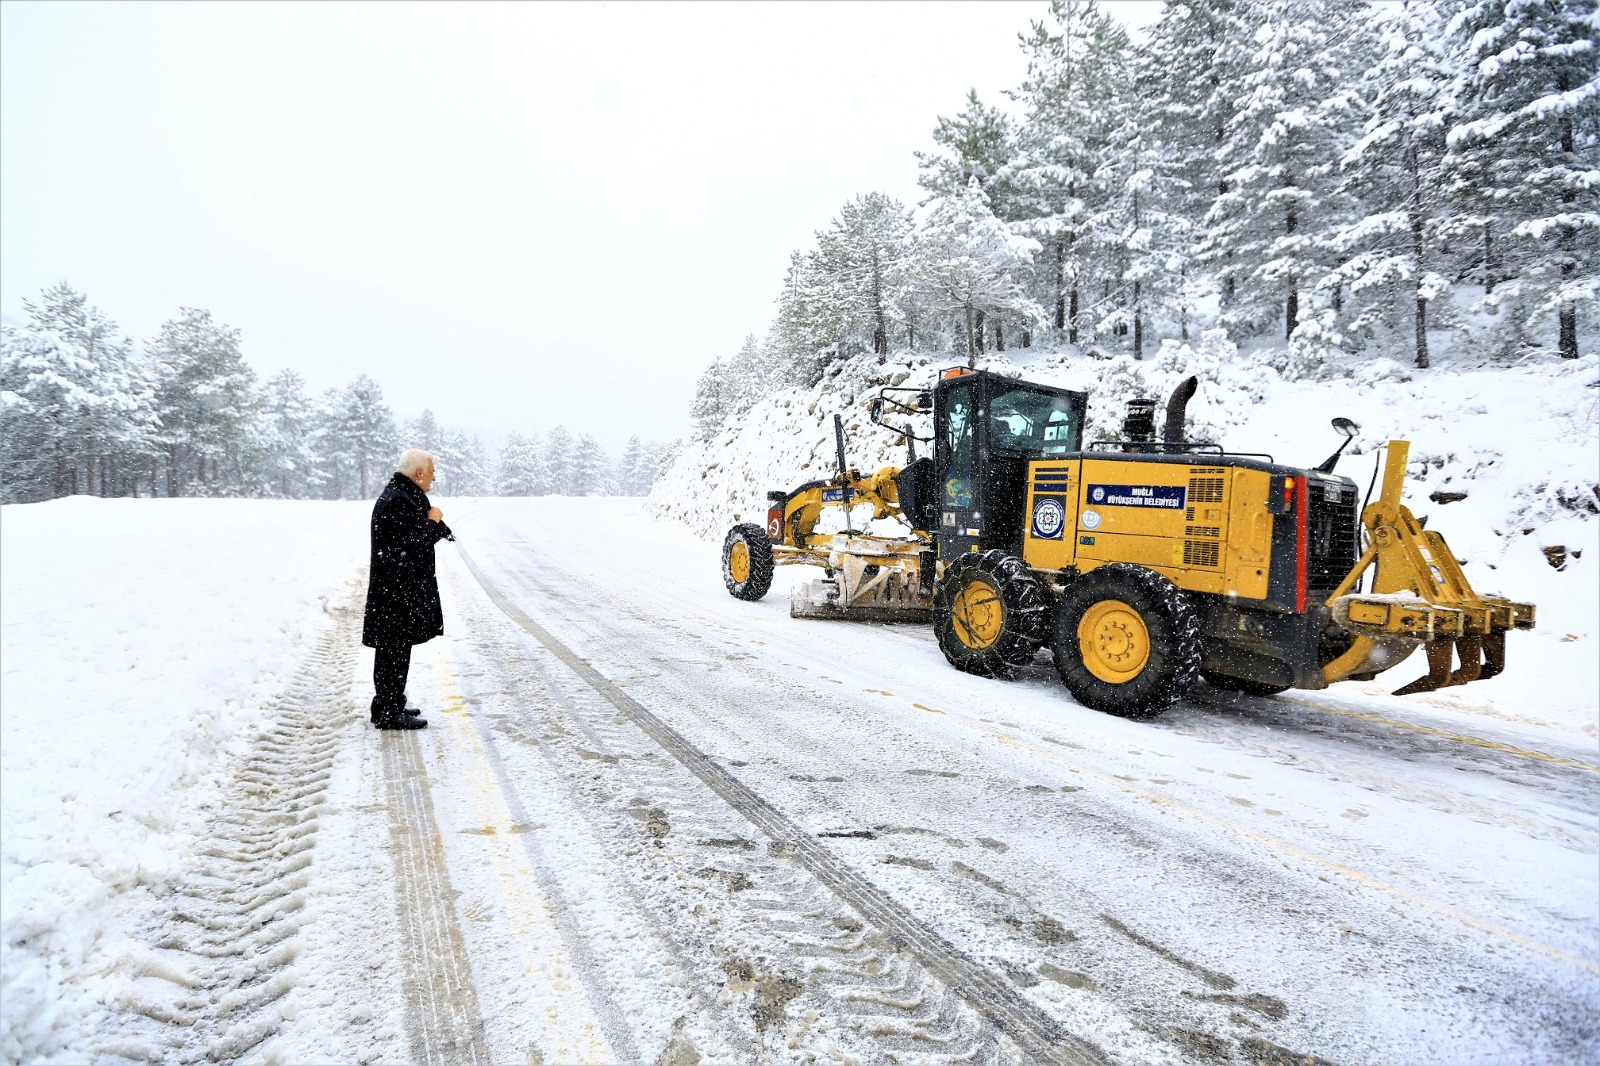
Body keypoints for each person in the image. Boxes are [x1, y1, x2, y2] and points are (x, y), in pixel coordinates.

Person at [362, 449, 454, 730]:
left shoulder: (402, 495)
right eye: (432, 471)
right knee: (393, 652)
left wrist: (432, 522)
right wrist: (433, 521)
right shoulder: (398, 500)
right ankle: (389, 712)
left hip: (397, 591)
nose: (434, 477)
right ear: (418, 473)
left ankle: (389, 705)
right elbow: (413, 541)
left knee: (395, 651)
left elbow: (411, 538)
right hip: (395, 594)